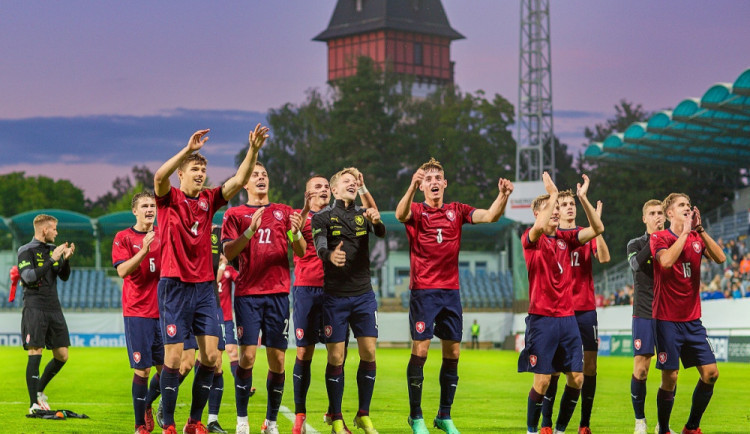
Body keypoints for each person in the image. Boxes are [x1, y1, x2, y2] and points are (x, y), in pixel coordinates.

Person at [153, 124, 268, 434]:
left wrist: (253, 150)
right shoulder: (169, 199)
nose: (200, 173)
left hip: (204, 288)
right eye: (194, 168)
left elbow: (239, 180)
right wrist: (186, 151)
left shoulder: (209, 201)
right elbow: (158, 178)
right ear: (182, 173)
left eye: (203, 168)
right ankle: (169, 425)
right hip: (174, 286)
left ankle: (194, 422)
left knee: (212, 357)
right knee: (175, 357)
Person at [395, 157, 513, 434]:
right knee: (421, 349)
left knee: (454, 352)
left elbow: (490, 216)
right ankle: (416, 417)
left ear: (445, 184)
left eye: (438, 178)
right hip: (423, 290)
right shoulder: (415, 209)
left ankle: (444, 416)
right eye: (428, 179)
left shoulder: (457, 211)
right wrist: (411, 187)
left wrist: (503, 195)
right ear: (422, 184)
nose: (434, 182)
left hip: (451, 292)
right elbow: (400, 215)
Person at [221, 162, 307, 434]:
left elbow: (301, 251)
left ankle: (270, 423)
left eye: (265, 175)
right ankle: (242, 421)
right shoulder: (234, 214)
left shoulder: (283, 211)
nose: (261, 178)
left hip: (279, 295)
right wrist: (249, 231)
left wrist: (296, 230)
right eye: (255, 175)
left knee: (278, 360)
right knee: (246, 357)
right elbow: (229, 252)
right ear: (245, 183)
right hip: (247, 295)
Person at [517, 172, 604, 434]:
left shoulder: (566, 241)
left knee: (577, 379)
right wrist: (552, 194)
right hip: (542, 318)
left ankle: (560, 430)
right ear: (537, 214)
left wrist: (583, 199)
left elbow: (598, 229)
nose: (556, 212)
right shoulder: (531, 240)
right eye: (551, 209)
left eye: (557, 209)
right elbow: (538, 228)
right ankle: (532, 430)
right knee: (542, 381)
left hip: (568, 319)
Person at [291, 173, 376, 434]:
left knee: (338, 353)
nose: (323, 190)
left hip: (336, 291)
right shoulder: (299, 218)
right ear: (307, 193)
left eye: (326, 186)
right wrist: (294, 230)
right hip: (307, 289)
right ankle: (300, 414)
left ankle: (333, 412)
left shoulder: (341, 216)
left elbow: (371, 216)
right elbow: (299, 250)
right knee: (304, 352)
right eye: (316, 187)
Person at [312, 168, 386, 434]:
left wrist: (375, 217)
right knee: (336, 357)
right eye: (347, 182)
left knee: (369, 352)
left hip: (364, 295)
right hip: (335, 296)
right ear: (334, 189)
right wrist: (329, 255)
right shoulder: (322, 216)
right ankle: (336, 417)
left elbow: (381, 230)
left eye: (355, 182)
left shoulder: (363, 214)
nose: (352, 184)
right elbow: (319, 241)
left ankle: (363, 415)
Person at [650, 193, 725, 434]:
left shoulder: (696, 237)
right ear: (669, 213)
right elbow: (666, 263)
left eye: (688, 205)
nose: (687, 208)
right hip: (666, 320)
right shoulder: (659, 237)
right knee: (670, 378)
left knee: (711, 374)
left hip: (692, 321)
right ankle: (663, 429)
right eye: (681, 205)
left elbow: (721, 258)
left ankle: (691, 427)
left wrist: (700, 230)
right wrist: (684, 233)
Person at [541, 190, 610, 434]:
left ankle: (584, 424)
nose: (569, 207)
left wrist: (597, 228)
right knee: (554, 369)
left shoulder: (586, 232)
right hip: (559, 310)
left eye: (572, 203)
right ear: (556, 209)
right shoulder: (552, 235)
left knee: (589, 368)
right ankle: (547, 424)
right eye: (564, 204)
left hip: (585, 310)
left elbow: (604, 257)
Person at [113, 191, 164, 433]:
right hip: (138, 313)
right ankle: (139, 425)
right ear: (135, 211)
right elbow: (122, 271)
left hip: (165, 312)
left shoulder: (165, 235)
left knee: (170, 369)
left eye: (152, 205)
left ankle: (148, 404)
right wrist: (143, 251)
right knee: (142, 369)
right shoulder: (123, 237)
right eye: (144, 205)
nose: (149, 209)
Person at [17, 214, 75, 414]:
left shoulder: (53, 250)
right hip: (34, 307)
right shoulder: (26, 250)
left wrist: (65, 260)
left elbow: (64, 276)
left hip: (53, 307)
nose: (57, 233)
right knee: (36, 351)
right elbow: (29, 276)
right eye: (54, 229)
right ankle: (33, 403)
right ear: (44, 230)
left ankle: (39, 390)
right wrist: (52, 259)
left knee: (62, 355)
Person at [626, 199, 664, 434]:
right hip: (643, 311)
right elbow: (635, 265)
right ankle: (640, 420)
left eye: (660, 212)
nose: (657, 216)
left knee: (670, 371)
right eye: (652, 213)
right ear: (644, 218)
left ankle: (664, 421)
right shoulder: (635, 243)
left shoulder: (673, 243)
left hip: (668, 312)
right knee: (641, 369)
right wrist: (654, 241)